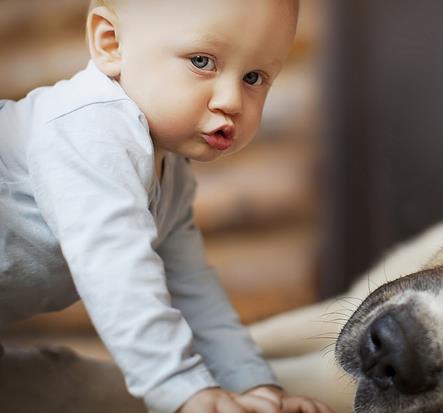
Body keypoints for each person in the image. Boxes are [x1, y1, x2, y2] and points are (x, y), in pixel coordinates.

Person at [0, 1, 332, 412]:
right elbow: (118, 272)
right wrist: (181, 388)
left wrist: (253, 386)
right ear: (111, 43)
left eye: (253, 77)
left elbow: (192, 289)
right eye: (201, 61)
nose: (231, 100)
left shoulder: (172, 175)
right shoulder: (88, 131)